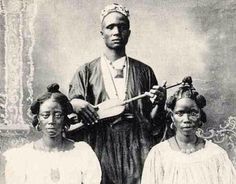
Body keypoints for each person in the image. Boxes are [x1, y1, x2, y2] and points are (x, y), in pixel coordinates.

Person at [67, 3, 166, 184]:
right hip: (99, 145)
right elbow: (71, 114)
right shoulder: (86, 71)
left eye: (122, 27)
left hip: (138, 146)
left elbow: (154, 122)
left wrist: (160, 103)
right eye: (110, 27)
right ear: (101, 33)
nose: (116, 32)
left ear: (129, 32)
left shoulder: (144, 71)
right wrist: (75, 103)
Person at [141, 78, 236, 184]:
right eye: (180, 113)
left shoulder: (216, 155)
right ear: (172, 117)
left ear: (200, 115)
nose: (186, 119)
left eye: (193, 113)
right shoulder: (158, 155)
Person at [3, 83, 101, 184]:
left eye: (58, 115)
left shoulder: (82, 153)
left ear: (65, 120)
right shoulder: (22, 157)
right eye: (45, 115)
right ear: (38, 120)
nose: (51, 121)